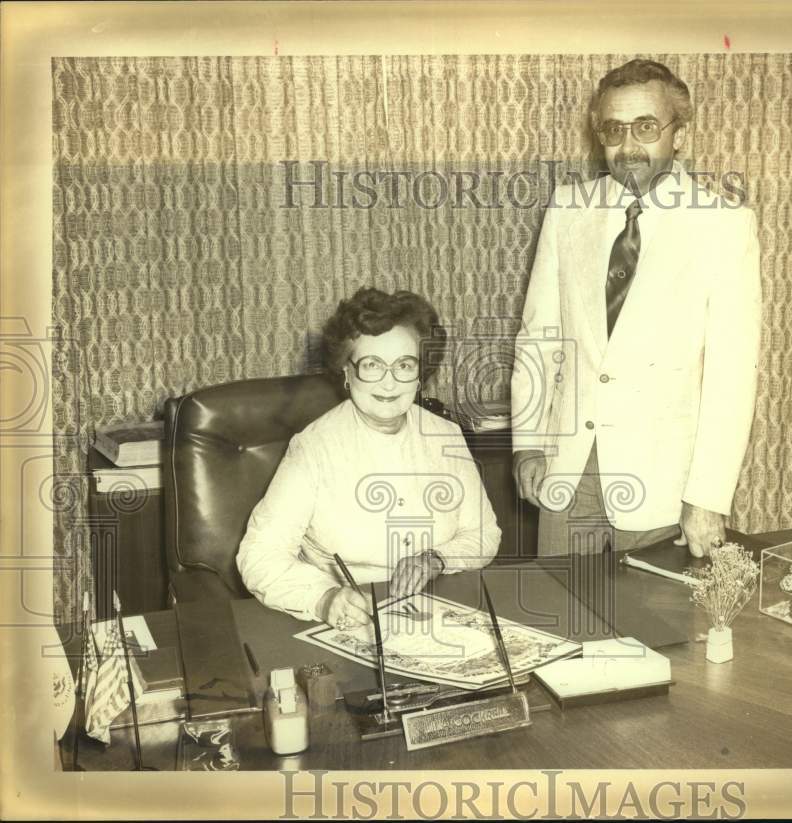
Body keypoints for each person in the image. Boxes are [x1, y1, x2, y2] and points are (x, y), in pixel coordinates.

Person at [511, 59, 761, 558]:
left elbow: (732, 378)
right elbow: (538, 337)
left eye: (646, 127)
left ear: (679, 133)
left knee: (653, 632)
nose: (628, 147)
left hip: (662, 484)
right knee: (560, 621)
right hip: (568, 469)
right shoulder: (567, 209)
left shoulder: (724, 225)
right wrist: (529, 442)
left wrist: (707, 497)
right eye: (614, 130)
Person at [237, 287, 501, 627]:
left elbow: (483, 533)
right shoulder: (314, 448)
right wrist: (323, 598)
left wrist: (436, 559)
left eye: (405, 365)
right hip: (351, 617)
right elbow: (259, 555)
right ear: (346, 371)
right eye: (372, 365)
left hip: (440, 609)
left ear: (421, 374)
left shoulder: (444, 435)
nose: (389, 383)